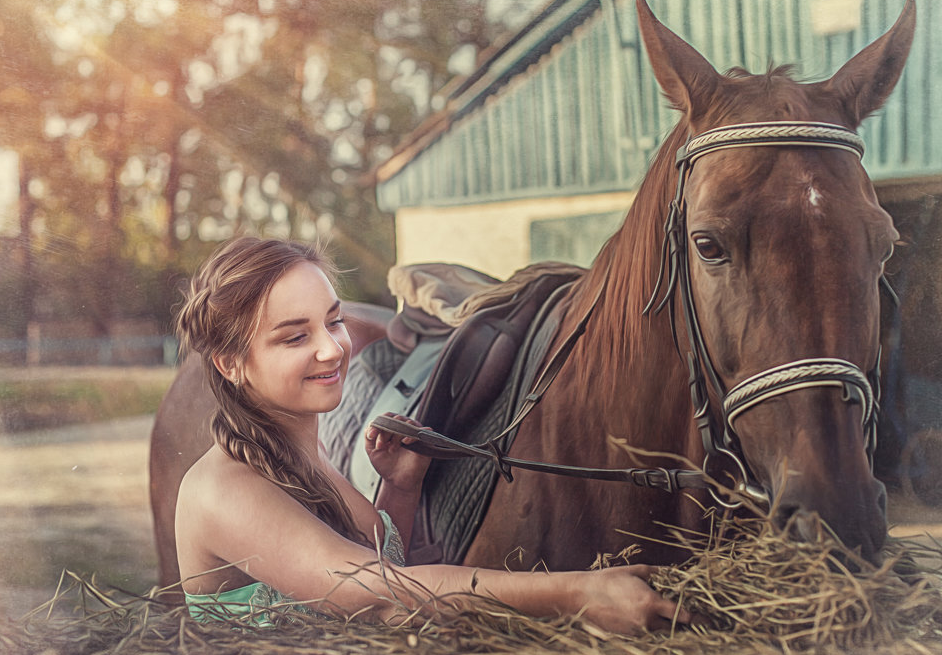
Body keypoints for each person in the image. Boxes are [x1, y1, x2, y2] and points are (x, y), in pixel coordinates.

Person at [173, 235, 688, 634]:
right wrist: (577, 593)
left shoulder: (306, 457)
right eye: (295, 337)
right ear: (231, 362)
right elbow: (374, 592)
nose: (332, 349)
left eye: (333, 322)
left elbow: (389, 582)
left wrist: (400, 489)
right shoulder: (225, 489)